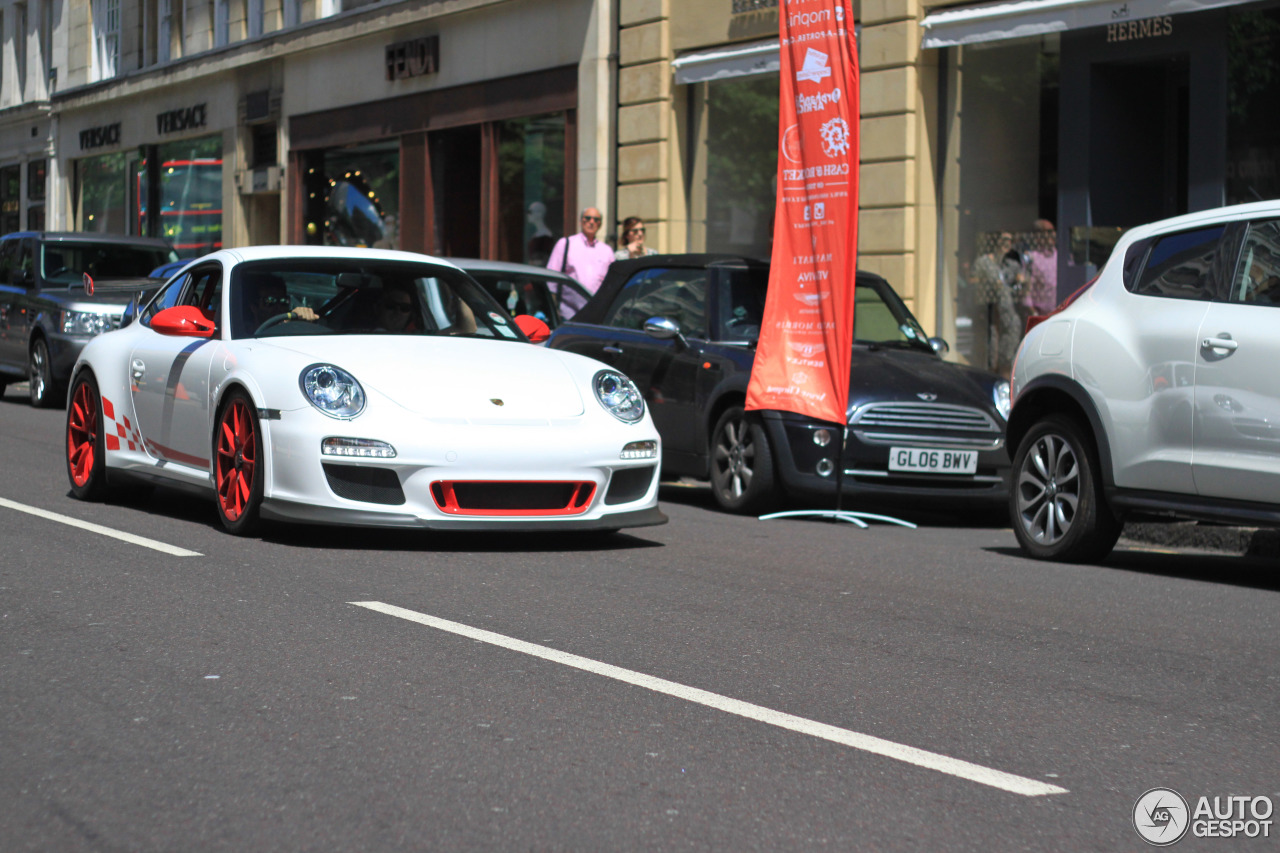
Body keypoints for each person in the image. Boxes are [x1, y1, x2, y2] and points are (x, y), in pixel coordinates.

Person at [546, 206, 614, 318]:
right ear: (581, 221)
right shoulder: (566, 244)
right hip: (568, 314)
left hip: (596, 314)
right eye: (588, 218)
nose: (591, 222)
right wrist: (554, 311)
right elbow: (551, 281)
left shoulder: (607, 251)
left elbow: (610, 284)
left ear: (600, 224)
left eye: (596, 219)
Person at [245, 271, 316, 332]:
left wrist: (300, 324)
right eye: (270, 301)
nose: (279, 308)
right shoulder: (242, 335)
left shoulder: (289, 330)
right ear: (254, 307)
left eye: (283, 301)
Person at [1020, 219, 1058, 327]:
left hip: (1060, 316)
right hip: (1040, 319)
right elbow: (1026, 289)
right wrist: (1034, 314)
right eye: (1047, 231)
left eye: (1052, 231)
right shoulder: (1032, 258)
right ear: (1038, 236)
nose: (1052, 235)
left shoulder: (1061, 257)